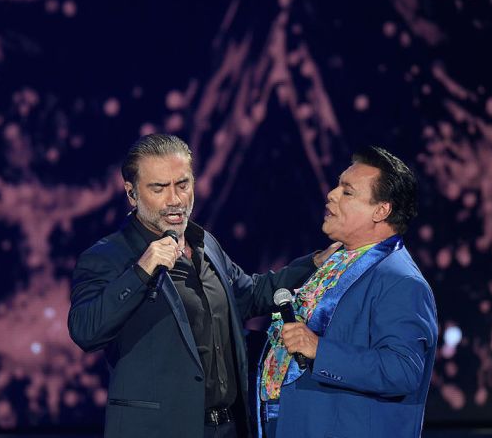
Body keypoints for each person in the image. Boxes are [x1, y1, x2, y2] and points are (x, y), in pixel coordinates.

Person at [68, 134, 328, 438]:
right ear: (131, 194)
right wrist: (141, 271)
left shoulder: (205, 243)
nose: (175, 199)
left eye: (183, 184)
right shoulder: (107, 256)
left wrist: (316, 263)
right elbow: (85, 331)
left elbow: (250, 295)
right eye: (159, 188)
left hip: (229, 427)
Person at [257, 146, 438, 438]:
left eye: (347, 192)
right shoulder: (334, 261)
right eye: (337, 186)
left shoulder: (401, 280)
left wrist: (319, 349)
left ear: (381, 210)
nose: (331, 194)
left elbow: (402, 370)